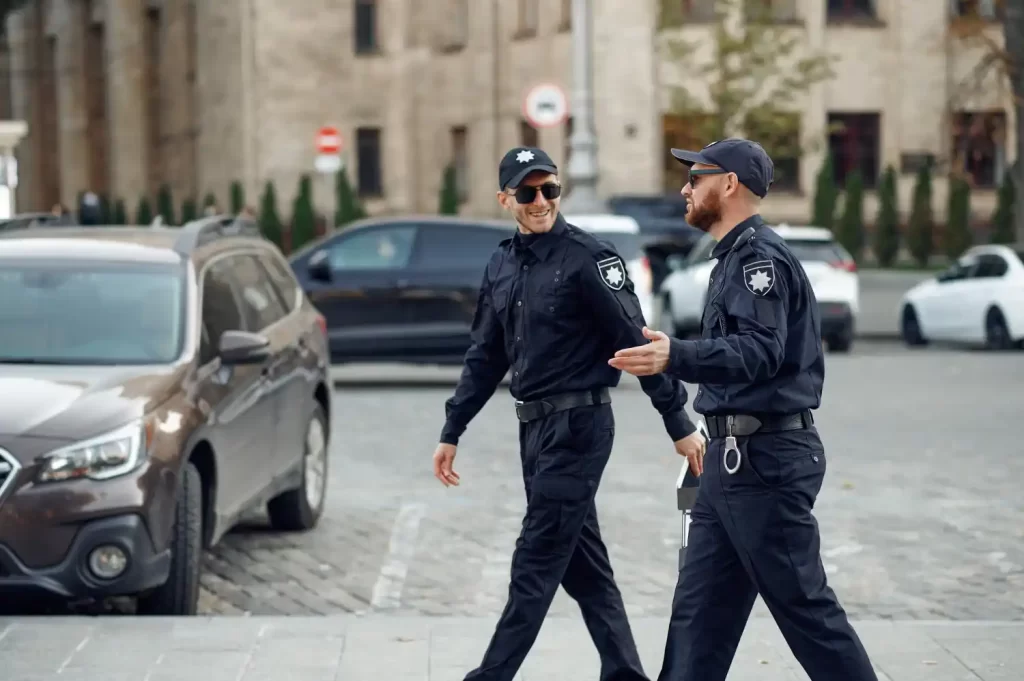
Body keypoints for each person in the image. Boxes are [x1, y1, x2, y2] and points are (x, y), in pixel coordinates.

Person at [608, 138, 878, 681]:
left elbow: (761, 350)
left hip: (765, 462)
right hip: (729, 462)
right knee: (699, 617)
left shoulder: (759, 260)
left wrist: (675, 355)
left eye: (695, 178)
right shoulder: (732, 257)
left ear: (728, 184)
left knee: (806, 611)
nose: (685, 189)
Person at [432, 146, 706, 681]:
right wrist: (453, 428)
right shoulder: (502, 262)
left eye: (550, 189)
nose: (541, 202)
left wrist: (678, 423)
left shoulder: (589, 258)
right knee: (584, 566)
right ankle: (625, 672)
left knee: (535, 557)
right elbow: (485, 356)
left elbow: (638, 343)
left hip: (580, 427)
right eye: (529, 191)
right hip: (533, 430)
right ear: (505, 197)